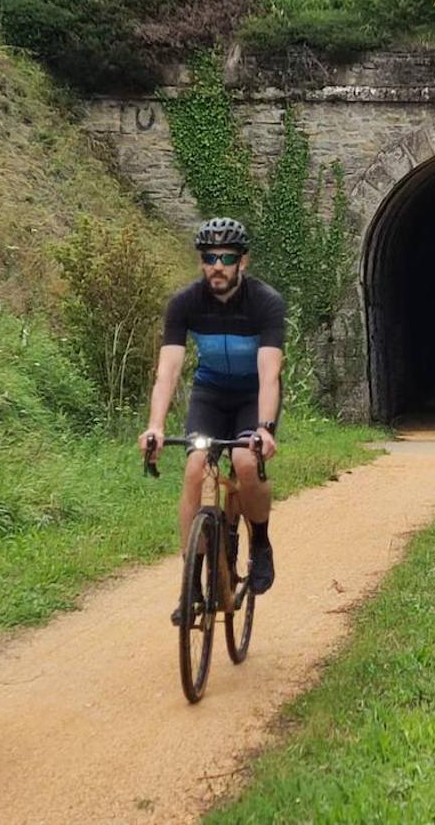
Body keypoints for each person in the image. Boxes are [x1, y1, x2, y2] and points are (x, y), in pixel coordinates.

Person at [138, 217, 285, 624]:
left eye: (226, 257)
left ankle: (260, 542)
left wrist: (265, 431)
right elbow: (167, 371)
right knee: (194, 468)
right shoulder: (185, 303)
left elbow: (270, 373)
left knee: (243, 463)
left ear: (243, 261)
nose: (216, 265)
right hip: (211, 393)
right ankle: (192, 583)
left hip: (252, 395)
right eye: (208, 258)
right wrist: (156, 426)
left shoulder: (265, 303)